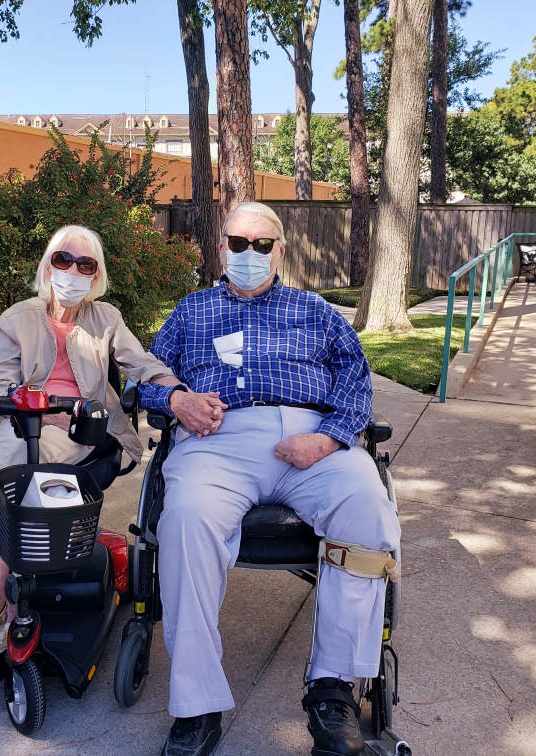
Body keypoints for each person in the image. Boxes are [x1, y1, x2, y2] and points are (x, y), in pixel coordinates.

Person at [137, 202, 401, 756]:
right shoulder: (191, 311)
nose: (249, 254)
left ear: (280, 252)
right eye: (239, 243)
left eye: (262, 245)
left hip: (312, 438)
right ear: (221, 247)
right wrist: (179, 400)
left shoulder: (317, 311)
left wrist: (329, 438)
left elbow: (356, 378)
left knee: (367, 506)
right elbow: (145, 380)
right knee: (184, 517)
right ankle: (198, 704)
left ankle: (333, 694)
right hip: (218, 439)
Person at [0, 224, 221, 658]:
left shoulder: (106, 318)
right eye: (63, 259)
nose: (72, 270)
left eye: (85, 264)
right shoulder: (16, 319)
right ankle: (12, 592)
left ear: (96, 275)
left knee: (37, 466)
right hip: (22, 426)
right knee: (25, 460)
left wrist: (179, 393)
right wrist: (23, 411)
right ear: (48, 264)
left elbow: (141, 364)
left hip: (82, 427)